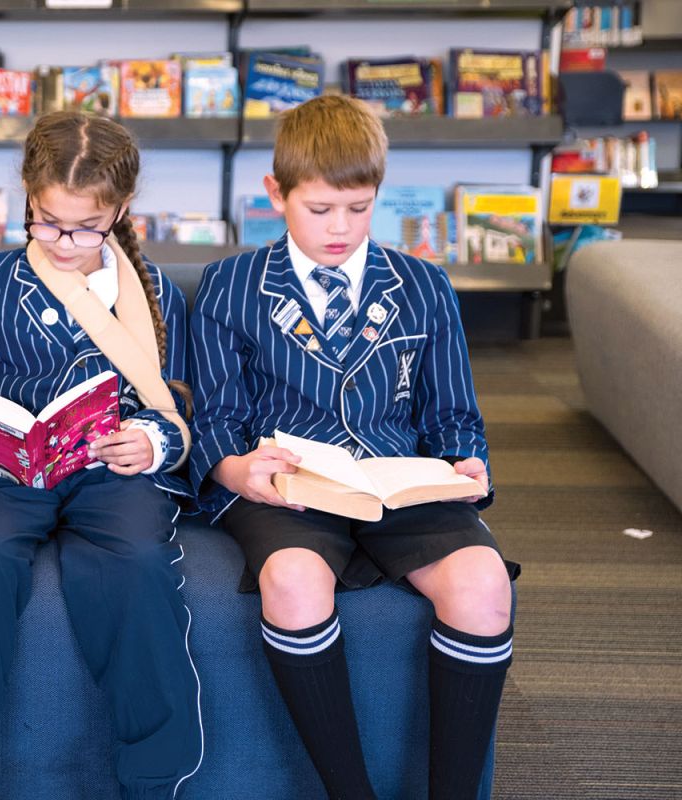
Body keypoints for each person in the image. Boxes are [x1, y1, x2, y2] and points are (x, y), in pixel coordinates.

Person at [188, 94, 518, 800]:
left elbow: (454, 411)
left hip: (398, 480)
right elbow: (216, 415)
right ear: (275, 193)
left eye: (359, 207)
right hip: (286, 486)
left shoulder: (424, 286)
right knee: (293, 583)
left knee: (485, 584)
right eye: (320, 209)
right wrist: (236, 467)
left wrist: (466, 462)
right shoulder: (228, 286)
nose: (341, 228)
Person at [0, 110, 204, 800]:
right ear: (26, 197)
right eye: (46, 221)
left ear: (121, 210)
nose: (63, 241)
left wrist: (151, 442)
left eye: (83, 227)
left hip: (111, 472)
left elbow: (182, 409)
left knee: (137, 564)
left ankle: (156, 779)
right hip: (5, 474)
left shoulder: (156, 293)